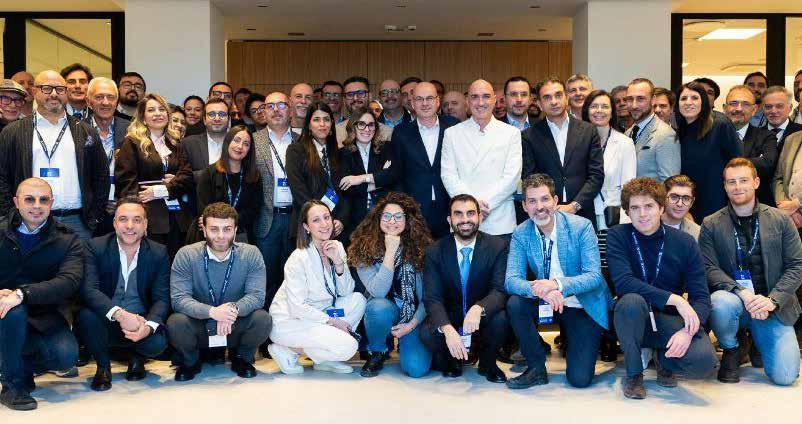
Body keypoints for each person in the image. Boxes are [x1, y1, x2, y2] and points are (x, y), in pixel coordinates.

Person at [607, 177, 716, 399]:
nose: (642, 214)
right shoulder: (618, 236)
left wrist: (687, 332)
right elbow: (624, 282)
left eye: (649, 206)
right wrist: (675, 299)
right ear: (627, 211)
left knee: (704, 363)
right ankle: (634, 374)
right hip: (632, 318)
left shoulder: (685, 242)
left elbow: (701, 298)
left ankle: (664, 358)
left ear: (661, 208)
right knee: (630, 301)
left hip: (667, 318)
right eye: (635, 208)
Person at [701, 158, 802, 386]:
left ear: (756, 182)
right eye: (731, 182)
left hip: (771, 305)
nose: (738, 187)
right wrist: (742, 293)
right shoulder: (711, 223)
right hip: (736, 300)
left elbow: (797, 265)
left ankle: (756, 339)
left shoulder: (781, 220)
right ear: (725, 186)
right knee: (719, 303)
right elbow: (709, 268)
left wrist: (772, 301)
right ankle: (732, 348)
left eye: (744, 180)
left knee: (786, 377)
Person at [505, 174, 611, 389]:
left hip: (581, 303)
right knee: (515, 304)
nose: (539, 207)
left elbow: (593, 276)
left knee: (579, 379)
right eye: (532, 201)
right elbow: (511, 280)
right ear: (524, 206)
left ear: (555, 201)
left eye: (544, 199)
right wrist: (544, 291)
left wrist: (557, 284)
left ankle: (583, 340)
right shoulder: (521, 233)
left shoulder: (581, 226)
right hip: (547, 299)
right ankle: (536, 368)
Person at [0, 178, 82, 411]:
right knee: (12, 309)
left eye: (43, 200)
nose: (37, 205)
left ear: (51, 203)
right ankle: (13, 385)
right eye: (29, 199)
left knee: (66, 356)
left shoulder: (67, 239)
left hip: (43, 316)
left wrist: (22, 293)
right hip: (3, 313)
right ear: (16, 202)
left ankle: (16, 365)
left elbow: (69, 281)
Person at [0, 70, 109, 241]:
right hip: (29, 221)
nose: (53, 94)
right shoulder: (13, 131)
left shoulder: (85, 131)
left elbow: (101, 176)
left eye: (59, 89)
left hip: (77, 222)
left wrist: (95, 217)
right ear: (34, 92)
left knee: (78, 260)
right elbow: (2, 177)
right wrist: (11, 215)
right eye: (46, 88)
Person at [168, 202, 271, 381]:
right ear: (204, 230)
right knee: (176, 322)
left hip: (234, 325)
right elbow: (179, 299)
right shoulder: (186, 255)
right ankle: (191, 361)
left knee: (262, 319)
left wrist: (231, 310)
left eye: (227, 229)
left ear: (235, 230)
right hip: (200, 326)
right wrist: (213, 312)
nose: (221, 236)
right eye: (214, 229)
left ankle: (242, 358)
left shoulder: (251, 254)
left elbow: (256, 296)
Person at [76, 199, 170, 391]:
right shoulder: (95, 247)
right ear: (114, 223)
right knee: (86, 316)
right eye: (123, 219)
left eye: (137, 220)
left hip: (140, 321)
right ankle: (103, 367)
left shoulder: (158, 252)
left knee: (157, 342)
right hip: (107, 319)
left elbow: (162, 298)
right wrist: (120, 314)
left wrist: (148, 326)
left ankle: (137, 358)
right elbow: (89, 290)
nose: (129, 226)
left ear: (145, 224)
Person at [268, 200, 366, 375]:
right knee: (349, 346)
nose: (324, 224)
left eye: (326, 217)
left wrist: (338, 262)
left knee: (358, 300)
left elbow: (346, 291)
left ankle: (324, 358)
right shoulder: (298, 258)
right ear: (306, 227)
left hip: (321, 311)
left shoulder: (337, 247)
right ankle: (288, 349)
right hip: (291, 320)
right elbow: (297, 307)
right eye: (316, 220)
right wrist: (332, 321)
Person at [420, 194, 509, 382]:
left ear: (480, 217)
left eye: (470, 213)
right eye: (458, 214)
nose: (465, 219)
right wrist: (446, 328)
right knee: (428, 332)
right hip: (451, 316)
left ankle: (488, 363)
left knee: (502, 319)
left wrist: (479, 308)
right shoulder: (435, 251)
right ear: (449, 220)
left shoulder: (498, 246)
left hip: (481, 319)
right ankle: (452, 360)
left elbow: (499, 290)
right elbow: (432, 297)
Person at [349, 193, 433, 378]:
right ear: (378, 218)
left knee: (416, 369)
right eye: (386, 216)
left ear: (407, 219)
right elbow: (378, 291)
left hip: (414, 315)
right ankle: (378, 351)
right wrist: (390, 251)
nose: (392, 221)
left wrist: (411, 325)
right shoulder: (364, 249)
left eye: (398, 216)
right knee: (377, 307)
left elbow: (429, 297)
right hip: (386, 309)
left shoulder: (423, 248)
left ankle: (406, 342)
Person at [115, 93, 194, 258]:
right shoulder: (132, 143)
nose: (158, 113)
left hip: (177, 218)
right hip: (149, 218)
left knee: (176, 263)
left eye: (161, 109)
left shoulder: (176, 143)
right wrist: (135, 219)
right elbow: (126, 184)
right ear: (143, 117)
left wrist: (160, 190)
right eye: (151, 110)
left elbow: (187, 177)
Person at [441, 79, 522, 238]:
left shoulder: (511, 133)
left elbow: (512, 177)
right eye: (475, 97)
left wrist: (484, 206)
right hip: (463, 219)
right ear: (467, 101)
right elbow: (448, 175)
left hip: (500, 220)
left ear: (494, 100)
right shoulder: (452, 134)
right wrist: (471, 207)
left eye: (486, 96)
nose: (480, 102)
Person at [522, 78, 604, 226]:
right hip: (546, 214)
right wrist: (548, 205)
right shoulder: (529, 136)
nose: (554, 101)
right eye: (547, 97)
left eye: (558, 95)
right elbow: (530, 177)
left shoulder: (588, 130)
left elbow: (596, 175)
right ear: (539, 104)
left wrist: (575, 205)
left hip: (583, 212)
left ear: (566, 98)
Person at [391, 82, 459, 239]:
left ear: (437, 101)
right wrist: (404, 208)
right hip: (415, 211)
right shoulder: (401, 133)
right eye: (419, 99)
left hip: (450, 207)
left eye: (429, 98)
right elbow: (397, 174)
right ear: (412, 103)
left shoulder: (453, 127)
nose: (425, 103)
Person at [252, 92, 299, 309]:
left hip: (296, 219)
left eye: (281, 105)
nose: (276, 110)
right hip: (266, 219)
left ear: (290, 109)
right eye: (270, 106)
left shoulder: (302, 140)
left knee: (295, 278)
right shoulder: (253, 141)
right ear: (263, 111)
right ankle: (264, 323)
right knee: (265, 279)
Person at [676, 81, 742, 222]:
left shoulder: (720, 124)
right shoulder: (679, 129)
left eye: (694, 98)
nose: (688, 102)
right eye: (683, 98)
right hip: (688, 202)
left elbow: (737, 163)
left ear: (704, 102)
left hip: (717, 202)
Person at [286, 102, 349, 244]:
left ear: (332, 124)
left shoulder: (339, 154)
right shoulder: (295, 151)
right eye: (316, 120)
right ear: (308, 125)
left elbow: (345, 191)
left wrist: (341, 219)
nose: (322, 124)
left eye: (326, 119)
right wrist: (322, 220)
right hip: (308, 226)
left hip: (337, 227)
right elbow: (299, 191)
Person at [188, 125, 262, 244]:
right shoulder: (210, 173)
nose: (240, 146)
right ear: (227, 142)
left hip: (241, 234)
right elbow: (204, 208)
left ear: (250, 150)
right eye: (236, 140)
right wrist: (222, 224)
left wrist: (231, 223)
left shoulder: (254, 176)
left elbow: (254, 209)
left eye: (246, 144)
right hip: (212, 234)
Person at [582, 89, 637, 230]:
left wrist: (625, 224)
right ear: (587, 111)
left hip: (611, 217)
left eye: (605, 106)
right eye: (594, 106)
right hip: (582, 214)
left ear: (612, 112)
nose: (599, 110)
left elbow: (628, 187)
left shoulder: (624, 143)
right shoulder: (576, 142)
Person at [338, 107, 395, 239]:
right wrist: (380, 180)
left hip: (384, 215)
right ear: (353, 127)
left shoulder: (386, 148)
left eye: (371, 125)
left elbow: (393, 176)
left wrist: (361, 178)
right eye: (361, 124)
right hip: (355, 219)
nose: (367, 129)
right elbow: (347, 189)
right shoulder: (343, 154)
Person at [86, 77, 132, 236]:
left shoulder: (131, 129)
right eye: (99, 97)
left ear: (117, 102)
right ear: (88, 102)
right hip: (89, 213)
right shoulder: (77, 129)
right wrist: (99, 200)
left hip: (123, 211)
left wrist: (122, 201)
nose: (105, 102)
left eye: (110, 97)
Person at [724, 85, 778, 206]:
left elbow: (767, 164)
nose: (739, 108)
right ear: (725, 108)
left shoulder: (766, 136)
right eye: (733, 103)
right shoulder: (713, 136)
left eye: (745, 104)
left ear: (754, 110)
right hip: (717, 205)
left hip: (756, 206)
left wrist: (726, 162)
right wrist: (755, 160)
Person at [625, 78, 679, 182]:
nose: (634, 105)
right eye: (630, 99)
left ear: (653, 99)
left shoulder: (666, 135)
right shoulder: (628, 133)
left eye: (640, 99)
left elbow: (669, 183)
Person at [182, 98, 231, 180]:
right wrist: (215, 172)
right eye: (211, 114)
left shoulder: (238, 143)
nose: (217, 118)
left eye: (222, 114)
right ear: (204, 120)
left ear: (229, 119)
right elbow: (183, 177)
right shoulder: (188, 143)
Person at [336, 76, 392, 146]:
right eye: (350, 94)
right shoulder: (335, 132)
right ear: (344, 100)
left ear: (370, 96)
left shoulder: (387, 133)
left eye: (360, 93)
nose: (355, 98)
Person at [763, 86, 802, 152]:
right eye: (768, 106)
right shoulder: (755, 135)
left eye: (779, 106)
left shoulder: (800, 132)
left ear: (790, 108)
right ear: (763, 109)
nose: (773, 111)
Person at [662, 175, 701, 240]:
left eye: (686, 199)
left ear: (692, 202)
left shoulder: (697, 233)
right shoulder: (648, 226)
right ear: (663, 198)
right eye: (674, 197)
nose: (679, 204)